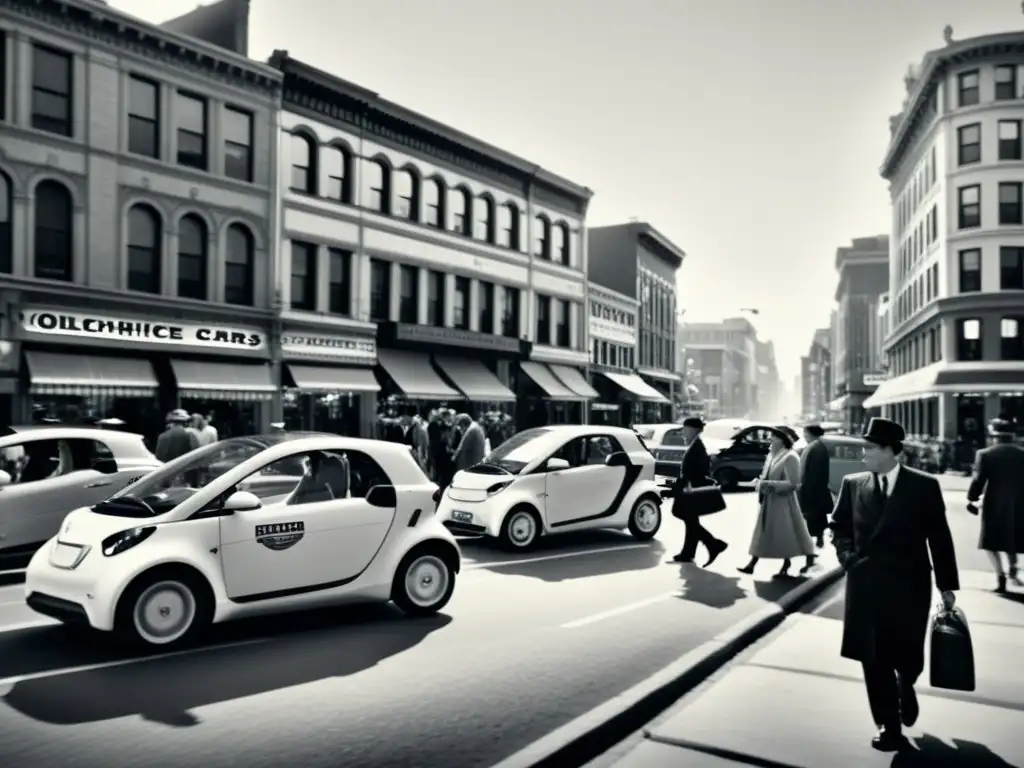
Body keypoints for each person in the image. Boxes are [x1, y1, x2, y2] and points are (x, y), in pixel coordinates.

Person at [830, 417, 959, 752]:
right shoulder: (853, 483)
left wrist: (947, 585)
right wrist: (849, 559)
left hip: (910, 584)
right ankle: (889, 724)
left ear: (892, 452)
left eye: (871, 448)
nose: (865, 455)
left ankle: (907, 684)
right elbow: (840, 526)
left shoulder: (924, 485)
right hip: (866, 583)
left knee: (908, 653)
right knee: (872, 658)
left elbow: (939, 537)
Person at [738, 426, 816, 577]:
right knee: (766, 532)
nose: (770, 439)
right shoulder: (772, 455)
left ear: (782, 439)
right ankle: (753, 564)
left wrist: (767, 485)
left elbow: (793, 484)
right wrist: (760, 483)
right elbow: (766, 477)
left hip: (783, 503)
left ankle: (770, 563)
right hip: (769, 501)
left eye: (773, 436)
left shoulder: (790, 457)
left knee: (784, 533)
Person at [967, 418, 1024, 592]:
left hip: (994, 502)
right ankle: (1013, 567)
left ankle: (1001, 577)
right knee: (1012, 538)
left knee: (991, 541)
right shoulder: (1022, 454)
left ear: (994, 435)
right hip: (1020, 502)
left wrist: (972, 498)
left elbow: (979, 480)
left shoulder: (985, 454)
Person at [671, 417, 728, 566]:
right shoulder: (695, 445)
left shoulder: (698, 447)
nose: (683, 434)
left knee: (684, 516)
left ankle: (713, 543)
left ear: (694, 430)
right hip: (690, 489)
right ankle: (689, 552)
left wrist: (685, 483)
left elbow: (701, 470)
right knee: (691, 520)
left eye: (685, 430)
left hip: (692, 490)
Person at [798, 423, 832, 548]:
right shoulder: (814, 446)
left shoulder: (816, 448)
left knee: (813, 516)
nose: (804, 436)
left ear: (812, 434)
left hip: (813, 489)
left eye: (805, 433)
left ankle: (815, 540)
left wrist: (808, 489)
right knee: (814, 516)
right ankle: (816, 538)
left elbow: (814, 472)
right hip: (811, 488)